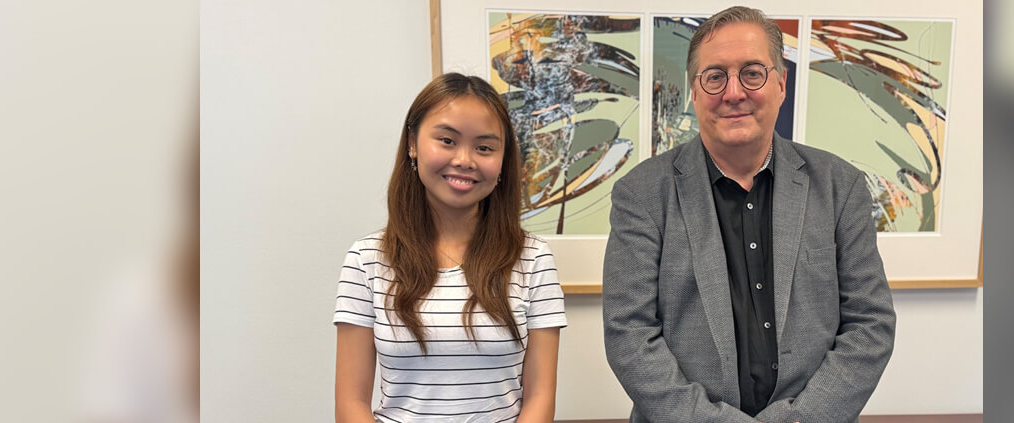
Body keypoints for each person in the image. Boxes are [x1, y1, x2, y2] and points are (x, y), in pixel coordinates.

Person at [602, 6, 895, 423]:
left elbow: (871, 326)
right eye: (715, 76)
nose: (734, 92)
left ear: (780, 83)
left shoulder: (839, 187)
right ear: (694, 90)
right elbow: (629, 336)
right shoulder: (642, 195)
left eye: (752, 73)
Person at [333, 73, 567, 423]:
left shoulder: (533, 259)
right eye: (447, 140)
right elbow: (350, 404)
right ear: (412, 143)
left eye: (484, 147)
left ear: (503, 161)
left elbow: (540, 398)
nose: (465, 160)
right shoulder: (367, 259)